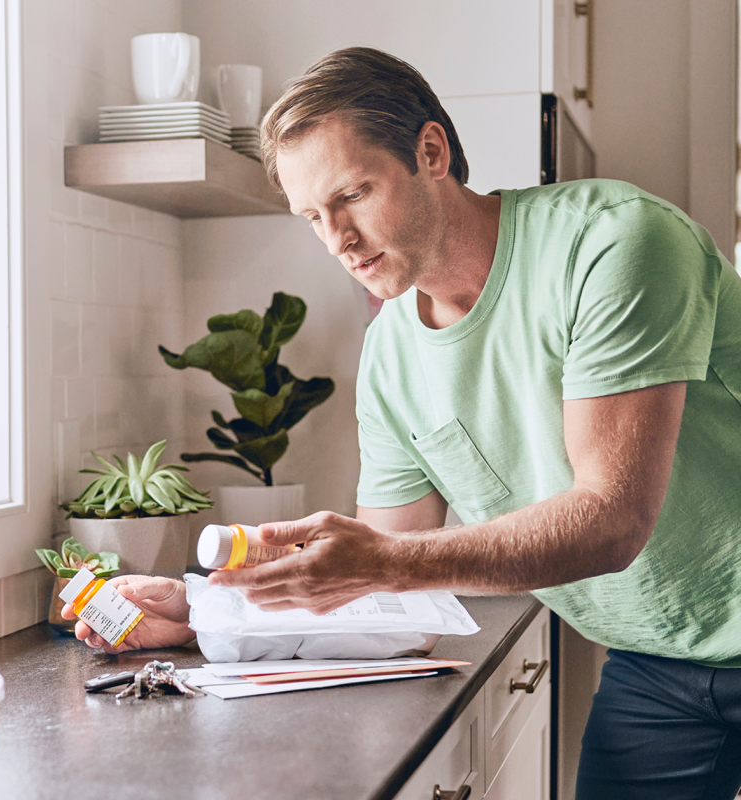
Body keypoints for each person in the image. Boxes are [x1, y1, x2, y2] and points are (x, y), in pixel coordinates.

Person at [63, 47, 741, 798]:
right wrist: (206, 609)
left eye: (353, 195)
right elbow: (377, 581)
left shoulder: (613, 245)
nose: (338, 241)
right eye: (313, 216)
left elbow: (612, 520)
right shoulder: (390, 353)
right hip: (657, 667)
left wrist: (382, 560)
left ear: (430, 151)